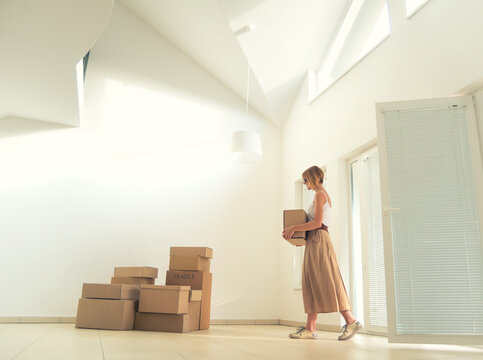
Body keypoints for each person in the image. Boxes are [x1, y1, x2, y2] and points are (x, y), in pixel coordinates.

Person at [282, 165, 362, 340]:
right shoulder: (321, 195)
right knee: (311, 281)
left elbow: (317, 223)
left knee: (328, 279)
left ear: (313, 177)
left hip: (318, 238)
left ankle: (350, 320)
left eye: (305, 179)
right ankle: (311, 328)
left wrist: (294, 227)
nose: (304, 183)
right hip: (316, 239)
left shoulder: (319, 195)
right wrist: (298, 237)